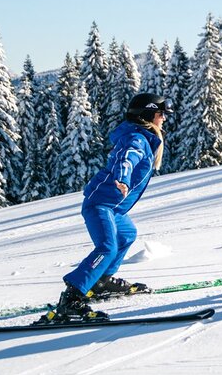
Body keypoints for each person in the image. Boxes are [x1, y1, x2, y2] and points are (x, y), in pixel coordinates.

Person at [51, 92, 173, 320]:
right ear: (148, 115)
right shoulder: (136, 139)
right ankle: (72, 297)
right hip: (100, 204)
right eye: (160, 114)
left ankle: (101, 281)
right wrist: (123, 178)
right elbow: (126, 159)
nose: (163, 118)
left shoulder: (144, 138)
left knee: (126, 234)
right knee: (107, 247)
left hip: (113, 208)